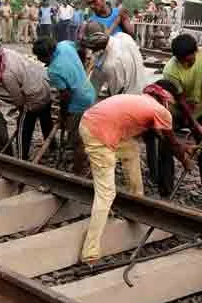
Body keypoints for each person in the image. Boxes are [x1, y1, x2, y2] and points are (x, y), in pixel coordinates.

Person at [79, 84, 195, 264]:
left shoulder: (142, 103)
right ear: (165, 101)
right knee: (106, 193)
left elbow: (165, 138)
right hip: (99, 134)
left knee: (131, 150)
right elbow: (171, 144)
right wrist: (186, 161)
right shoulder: (161, 111)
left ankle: (136, 202)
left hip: (90, 123)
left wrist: (183, 148)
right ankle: (90, 252)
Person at [157, 34, 202, 203]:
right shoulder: (170, 70)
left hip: (200, 107)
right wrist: (195, 124)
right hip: (177, 110)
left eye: (188, 59)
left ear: (196, 51)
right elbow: (181, 100)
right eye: (181, 60)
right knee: (166, 144)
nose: (184, 63)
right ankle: (165, 191)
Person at [0, 41, 53, 161]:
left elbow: (17, 98)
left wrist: (22, 109)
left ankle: (21, 157)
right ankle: (53, 148)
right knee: (46, 121)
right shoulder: (7, 52)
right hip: (45, 87)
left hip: (34, 96)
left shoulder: (7, 74)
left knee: (23, 127)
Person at [33, 37, 96, 172]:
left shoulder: (54, 70)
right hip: (89, 91)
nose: (38, 59)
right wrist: (80, 66)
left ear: (47, 55)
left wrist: (63, 113)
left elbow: (65, 95)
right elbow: (81, 48)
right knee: (85, 130)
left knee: (77, 138)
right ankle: (75, 155)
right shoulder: (64, 45)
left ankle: (78, 170)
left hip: (78, 102)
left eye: (39, 57)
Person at [81, 22, 146, 96]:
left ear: (96, 51)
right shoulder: (123, 36)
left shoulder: (110, 64)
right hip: (140, 85)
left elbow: (117, 95)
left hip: (129, 97)